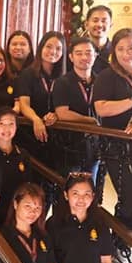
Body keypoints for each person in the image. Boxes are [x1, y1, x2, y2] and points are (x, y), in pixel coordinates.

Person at [92, 28, 132, 234]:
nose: (127, 53)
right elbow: (102, 108)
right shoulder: (106, 76)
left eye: (131, 48)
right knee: (130, 195)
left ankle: (124, 241)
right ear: (114, 52)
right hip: (116, 145)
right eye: (121, 49)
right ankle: (123, 240)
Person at [53, 37, 100, 175]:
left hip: (95, 147)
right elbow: (62, 113)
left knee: (91, 188)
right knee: (70, 188)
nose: (84, 57)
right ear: (71, 57)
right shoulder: (63, 82)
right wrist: (89, 121)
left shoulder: (101, 81)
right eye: (79, 53)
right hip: (70, 147)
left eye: (88, 53)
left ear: (95, 55)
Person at [15, 31, 65, 156]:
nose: (53, 52)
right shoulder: (28, 74)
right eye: (49, 46)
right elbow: (24, 104)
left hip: (57, 137)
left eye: (58, 48)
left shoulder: (64, 77)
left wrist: (56, 115)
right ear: (40, 47)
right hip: (31, 133)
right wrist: (36, 119)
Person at [0, 107, 32, 225]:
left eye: (11, 124)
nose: (6, 128)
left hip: (15, 213)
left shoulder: (23, 155)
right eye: (1, 124)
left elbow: (28, 186)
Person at [83, 5, 113, 75]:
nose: (99, 25)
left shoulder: (116, 50)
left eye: (104, 21)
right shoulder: (77, 49)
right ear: (86, 24)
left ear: (111, 25)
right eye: (95, 20)